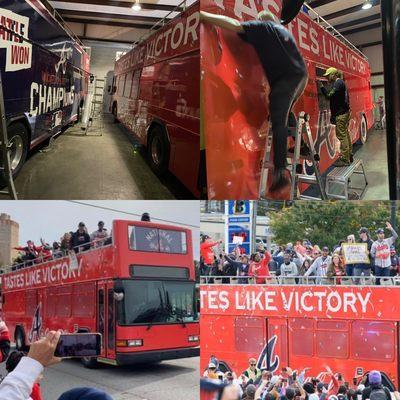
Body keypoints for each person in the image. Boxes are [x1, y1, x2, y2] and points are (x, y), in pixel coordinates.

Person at [199, 9, 308, 195]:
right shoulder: (283, 32)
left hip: (286, 79)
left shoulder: (263, 26)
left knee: (278, 121)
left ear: (262, 20)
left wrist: (204, 16)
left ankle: (280, 173)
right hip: (301, 77)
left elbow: (234, 24)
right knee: (286, 111)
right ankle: (302, 144)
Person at [0, 331, 61, 400]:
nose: (42, 377)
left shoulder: (6, 381)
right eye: (39, 373)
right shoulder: (32, 387)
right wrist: (32, 363)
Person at [320, 67, 352, 167]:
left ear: (333, 75)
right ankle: (349, 155)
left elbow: (329, 96)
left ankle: (345, 160)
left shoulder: (338, 83)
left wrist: (321, 87)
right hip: (343, 113)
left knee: (342, 136)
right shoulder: (339, 83)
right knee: (345, 134)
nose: (327, 78)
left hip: (341, 115)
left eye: (328, 75)